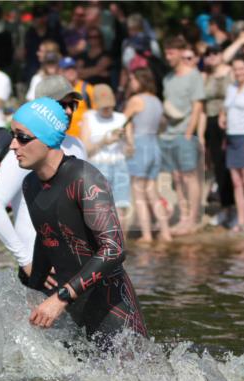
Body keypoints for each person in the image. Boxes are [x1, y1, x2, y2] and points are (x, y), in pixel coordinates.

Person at [13, 97, 147, 345]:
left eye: (22, 137)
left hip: (112, 310)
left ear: (47, 139)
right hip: (70, 309)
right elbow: (47, 238)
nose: (13, 145)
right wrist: (31, 295)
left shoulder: (84, 178)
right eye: (13, 135)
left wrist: (61, 297)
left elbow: (114, 248)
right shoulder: (31, 184)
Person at [0, 77, 89, 271]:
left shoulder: (77, 144)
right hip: (38, 264)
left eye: (73, 104)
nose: (69, 111)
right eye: (62, 104)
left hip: (73, 261)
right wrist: (26, 261)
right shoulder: (24, 149)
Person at [160, 36, 205, 236]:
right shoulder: (167, 78)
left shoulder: (193, 75)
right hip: (168, 135)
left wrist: (189, 132)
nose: (167, 56)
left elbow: (198, 106)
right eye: (166, 52)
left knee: (190, 177)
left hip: (185, 134)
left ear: (179, 52)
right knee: (177, 178)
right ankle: (184, 217)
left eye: (170, 53)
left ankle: (193, 219)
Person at [123, 68, 171, 243]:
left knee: (139, 194)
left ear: (140, 81)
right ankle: (165, 232)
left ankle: (147, 234)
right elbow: (162, 125)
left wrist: (128, 141)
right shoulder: (157, 101)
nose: (131, 83)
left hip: (140, 146)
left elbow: (122, 121)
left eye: (133, 80)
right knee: (152, 191)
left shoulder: (136, 100)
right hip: (154, 146)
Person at [80, 84, 131, 227]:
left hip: (120, 165)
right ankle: (103, 245)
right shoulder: (88, 117)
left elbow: (130, 152)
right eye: (104, 106)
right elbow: (86, 149)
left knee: (121, 208)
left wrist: (126, 139)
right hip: (97, 167)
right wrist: (105, 140)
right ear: (96, 104)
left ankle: (121, 247)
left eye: (109, 105)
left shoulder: (122, 118)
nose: (107, 109)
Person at [220, 56, 244, 234]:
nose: (239, 72)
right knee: (236, 182)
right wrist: (222, 116)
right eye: (235, 69)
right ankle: (241, 219)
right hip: (232, 137)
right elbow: (226, 108)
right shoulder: (231, 88)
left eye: (242, 69)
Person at [201, 45, 235, 228]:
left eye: (215, 53)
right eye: (208, 53)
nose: (212, 56)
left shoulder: (232, 71)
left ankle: (234, 207)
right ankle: (225, 206)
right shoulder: (205, 76)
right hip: (211, 122)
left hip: (231, 122)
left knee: (232, 165)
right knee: (218, 166)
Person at [59, 58, 94, 138]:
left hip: (83, 137)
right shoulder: (56, 90)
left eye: (73, 68)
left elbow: (96, 114)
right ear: (60, 72)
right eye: (67, 69)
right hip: (62, 138)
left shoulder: (88, 89)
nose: (71, 71)